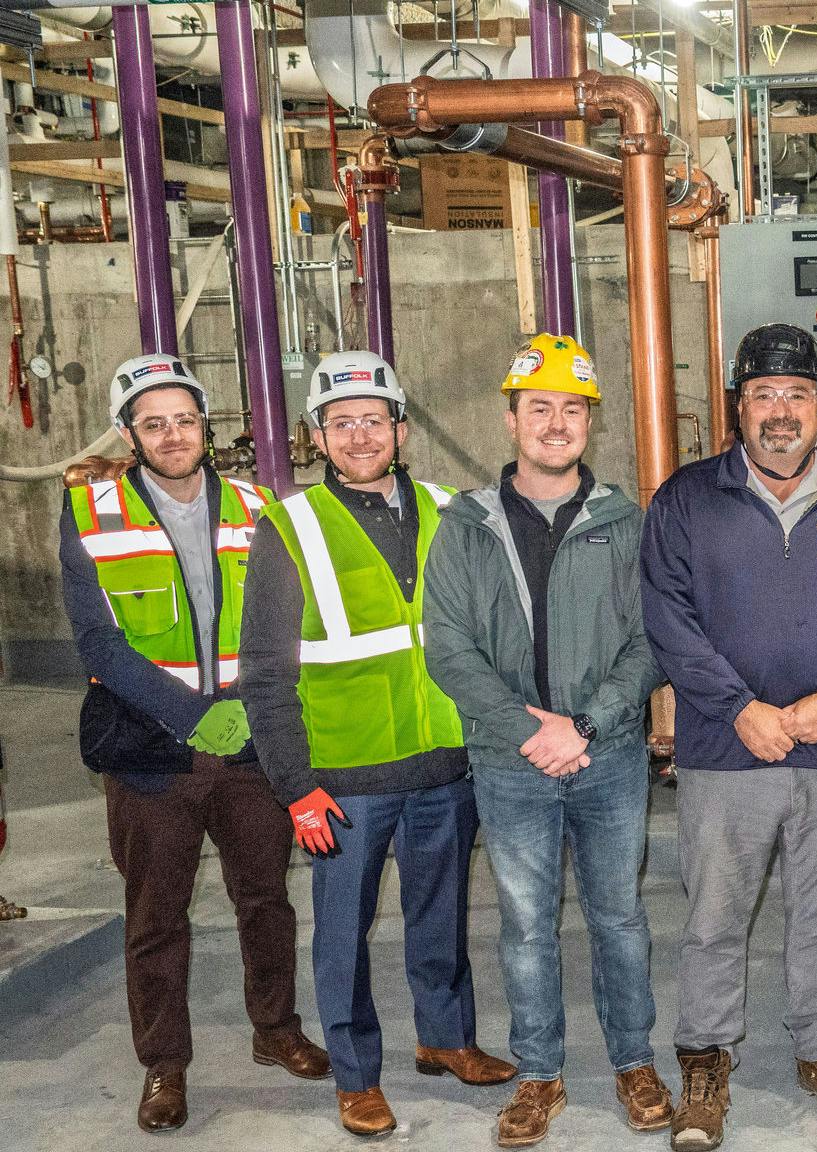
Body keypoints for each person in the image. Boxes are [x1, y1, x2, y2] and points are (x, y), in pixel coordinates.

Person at [640, 323, 817, 1152]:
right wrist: (739, 708)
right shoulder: (686, 502)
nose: (781, 413)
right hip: (730, 752)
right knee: (716, 916)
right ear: (739, 408)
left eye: (796, 396)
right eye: (764, 396)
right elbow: (667, 619)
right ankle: (705, 1058)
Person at [241, 350, 514, 1138]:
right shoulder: (288, 527)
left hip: (443, 763)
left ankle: (446, 1038)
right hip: (344, 779)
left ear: (401, 428)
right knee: (341, 932)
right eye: (340, 423)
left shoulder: (447, 508)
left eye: (373, 420)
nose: (359, 436)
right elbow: (263, 671)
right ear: (317, 437)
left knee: (442, 913)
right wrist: (294, 785)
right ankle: (356, 1075)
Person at [59, 353, 329, 1132]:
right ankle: (164, 1067)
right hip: (150, 754)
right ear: (129, 433)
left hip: (249, 748)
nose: (173, 435)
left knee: (266, 900)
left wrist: (247, 710)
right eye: (154, 423)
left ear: (206, 426)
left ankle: (275, 1032)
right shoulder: (91, 514)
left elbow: (288, 621)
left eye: (184, 420)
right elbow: (97, 645)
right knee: (154, 917)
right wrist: (189, 715)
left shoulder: (259, 506)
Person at [423, 335, 670, 1148]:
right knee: (526, 926)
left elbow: (651, 643)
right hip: (511, 762)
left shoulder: (624, 522)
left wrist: (588, 724)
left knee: (620, 918)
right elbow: (449, 649)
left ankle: (633, 1062)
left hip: (609, 758)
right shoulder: (466, 525)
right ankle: (539, 1075)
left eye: (572, 409)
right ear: (511, 418)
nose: (556, 423)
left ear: (590, 423)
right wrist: (530, 731)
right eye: (540, 408)